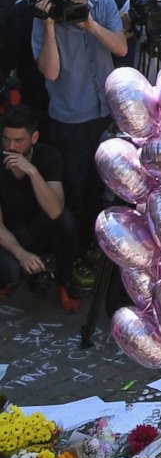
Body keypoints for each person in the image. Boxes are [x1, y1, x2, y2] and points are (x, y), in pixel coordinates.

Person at [29, 0, 123, 260]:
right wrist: (49, 26)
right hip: (71, 120)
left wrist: (91, 25)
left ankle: (104, 247)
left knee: (107, 186)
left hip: (108, 113)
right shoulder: (44, 17)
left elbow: (120, 47)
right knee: (78, 192)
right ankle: (79, 253)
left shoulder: (103, 1)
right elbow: (51, 72)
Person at [0, 107, 72, 310]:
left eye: (18, 140)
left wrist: (32, 172)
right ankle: (16, 277)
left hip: (39, 227)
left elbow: (55, 211)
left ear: (34, 138)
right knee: (11, 271)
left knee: (67, 220)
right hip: (9, 234)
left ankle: (63, 281)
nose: (11, 146)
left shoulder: (48, 156)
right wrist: (20, 253)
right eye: (6, 139)